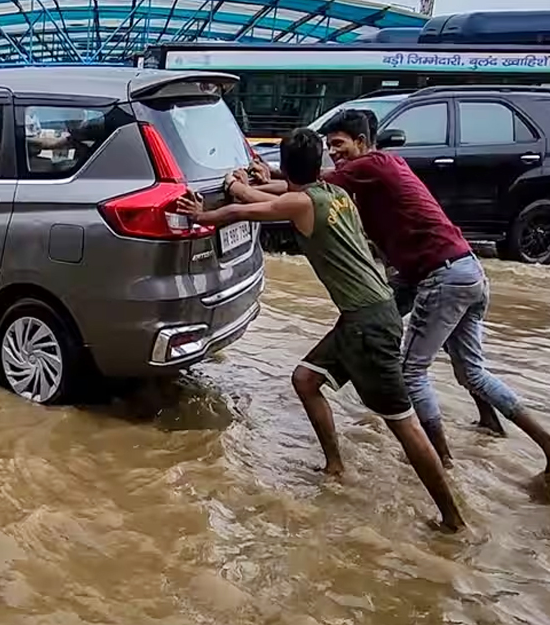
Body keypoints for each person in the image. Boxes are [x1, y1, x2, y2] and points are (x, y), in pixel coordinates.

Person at [179, 128, 465, 531]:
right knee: (306, 380)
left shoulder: (300, 202)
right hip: (369, 312)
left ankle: (453, 519)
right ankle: (334, 465)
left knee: (402, 422)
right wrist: (250, 187)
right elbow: (280, 200)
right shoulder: (337, 194)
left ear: (287, 164)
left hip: (368, 322)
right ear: (319, 164)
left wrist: (202, 214)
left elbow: (242, 210)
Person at [312, 109, 550, 473]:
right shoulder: (382, 169)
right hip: (466, 269)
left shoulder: (371, 164)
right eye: (330, 146)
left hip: (443, 276)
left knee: (411, 372)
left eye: (340, 144)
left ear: (361, 142)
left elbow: (313, 180)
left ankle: (442, 461)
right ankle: (509, 431)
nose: (335, 152)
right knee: (471, 372)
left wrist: (263, 178)